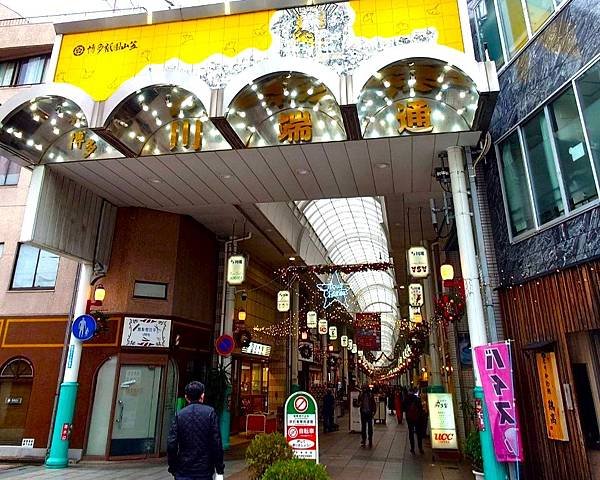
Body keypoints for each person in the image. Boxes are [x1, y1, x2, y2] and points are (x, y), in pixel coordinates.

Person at [167, 381, 225, 480]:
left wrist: (173, 467)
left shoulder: (180, 415)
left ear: (186, 397)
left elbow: (171, 444)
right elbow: (216, 443)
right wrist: (219, 470)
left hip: (183, 469)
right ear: (202, 396)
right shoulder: (210, 413)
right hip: (204, 469)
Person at [404, 387, 425, 454]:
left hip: (409, 418)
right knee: (419, 433)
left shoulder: (406, 398)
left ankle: (412, 448)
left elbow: (403, 408)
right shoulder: (417, 399)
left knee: (411, 432)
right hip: (417, 418)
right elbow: (421, 409)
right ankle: (420, 448)